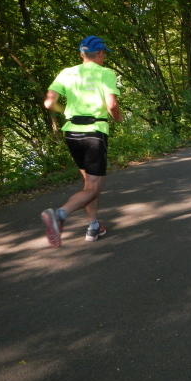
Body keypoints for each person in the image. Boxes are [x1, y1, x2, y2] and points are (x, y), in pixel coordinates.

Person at [41, 36, 123, 247]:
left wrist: (65, 112)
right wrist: (118, 118)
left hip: (72, 133)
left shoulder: (67, 73)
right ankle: (59, 214)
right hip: (94, 132)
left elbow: (49, 103)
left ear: (81, 54)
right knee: (94, 187)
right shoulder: (106, 73)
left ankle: (93, 225)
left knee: (89, 183)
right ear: (101, 53)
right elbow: (112, 105)